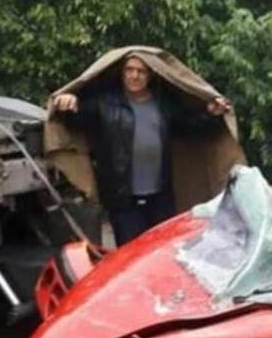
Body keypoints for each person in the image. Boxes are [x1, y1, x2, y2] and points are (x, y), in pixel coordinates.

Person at [52, 54, 231, 245]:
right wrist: (67, 103)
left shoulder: (163, 103)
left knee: (162, 251)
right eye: (129, 70)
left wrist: (211, 113)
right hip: (123, 200)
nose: (134, 76)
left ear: (150, 75)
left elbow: (192, 127)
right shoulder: (105, 103)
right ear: (122, 73)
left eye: (141, 71)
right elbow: (77, 120)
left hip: (160, 198)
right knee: (131, 256)